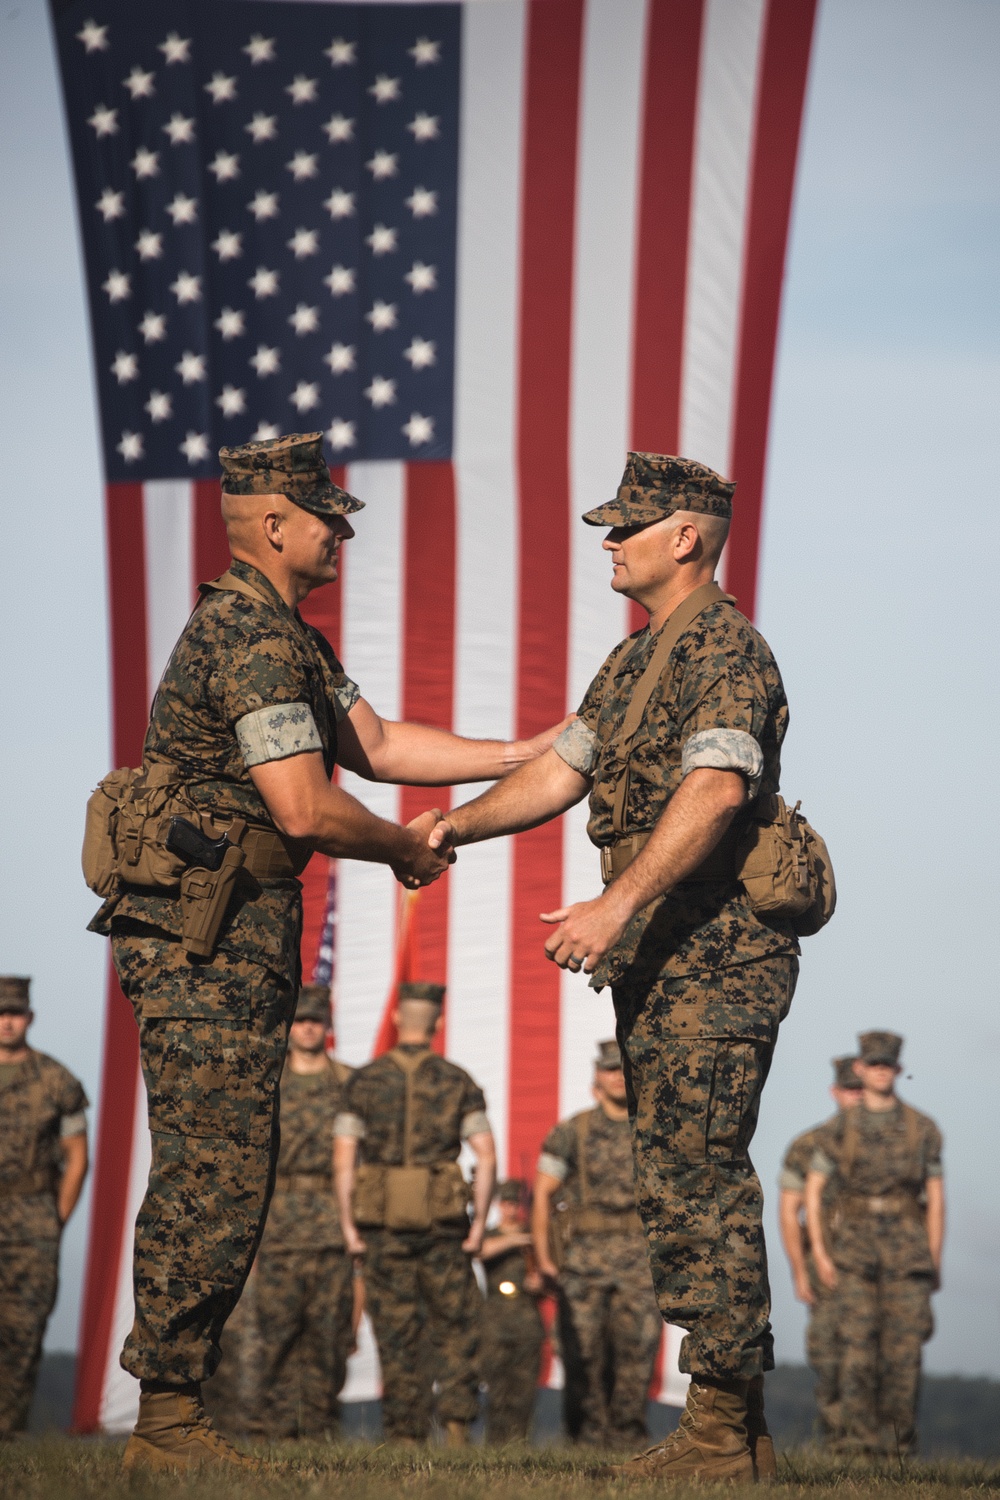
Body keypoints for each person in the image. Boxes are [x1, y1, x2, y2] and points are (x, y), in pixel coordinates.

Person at [86, 433, 563, 1471]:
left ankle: (175, 1411)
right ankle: (166, 1418)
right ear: (271, 525)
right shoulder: (250, 639)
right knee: (211, 1172)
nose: (339, 530)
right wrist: (402, 847)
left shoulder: (287, 639)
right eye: (324, 516)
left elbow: (381, 747)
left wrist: (529, 752)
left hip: (235, 945)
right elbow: (303, 807)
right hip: (201, 948)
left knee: (227, 1169)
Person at [428, 452, 801, 1480]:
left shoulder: (727, 650)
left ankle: (722, 1432)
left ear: (685, 536)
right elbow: (560, 767)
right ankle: (738, 1436)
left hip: (718, 955)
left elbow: (718, 787)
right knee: (678, 1174)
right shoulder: (635, 661)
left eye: (625, 525)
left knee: (698, 1178)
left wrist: (615, 901)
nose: (607, 540)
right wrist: (451, 827)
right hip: (665, 962)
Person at [334, 982, 495, 1446]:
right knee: (456, 1325)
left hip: (381, 1227)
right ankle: (457, 1425)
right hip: (444, 1226)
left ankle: (405, 1432)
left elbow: (344, 1161)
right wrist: (479, 1224)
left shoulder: (362, 1082)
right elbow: (486, 1157)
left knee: (395, 1330)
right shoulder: (457, 1080)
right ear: (438, 1022)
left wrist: (349, 1228)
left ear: (399, 1019)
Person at [805, 1032, 944, 1456]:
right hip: (853, 1254)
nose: (881, 1071)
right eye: (874, 1064)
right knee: (856, 1353)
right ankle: (857, 1450)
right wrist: (822, 1256)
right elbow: (812, 1193)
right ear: (861, 1068)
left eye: (888, 1065)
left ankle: (898, 1450)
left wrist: (933, 1260)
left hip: (907, 1253)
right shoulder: (838, 1129)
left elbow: (935, 1197)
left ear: (898, 1070)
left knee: (904, 1357)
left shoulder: (922, 1128)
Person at [532, 1040, 659, 1448]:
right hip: (584, 1263)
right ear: (595, 1080)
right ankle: (583, 1441)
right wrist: (545, 1257)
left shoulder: (654, 1131)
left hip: (641, 1263)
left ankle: (628, 1439)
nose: (618, 1076)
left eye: (623, 1068)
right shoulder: (572, 1132)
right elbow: (542, 1197)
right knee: (581, 1354)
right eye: (609, 1069)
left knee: (636, 1355)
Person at [253, 983, 355, 1440]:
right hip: (278, 1228)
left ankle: (320, 1432)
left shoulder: (351, 1084)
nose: (309, 1028)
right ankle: (275, 1433)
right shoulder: (267, 1084)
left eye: (316, 1020)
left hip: (334, 1229)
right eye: (301, 1020)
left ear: (327, 1026)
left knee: (329, 1339)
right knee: (275, 1336)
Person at [0, 977, 88, 1437]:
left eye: (14, 1012)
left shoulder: (57, 1080)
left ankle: (7, 1429)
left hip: (32, 1216)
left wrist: (56, 1218)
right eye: (0, 1013)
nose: (7, 1021)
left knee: (23, 1326)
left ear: (29, 1018)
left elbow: (77, 1156)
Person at [778, 1055, 861, 1439]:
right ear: (835, 1092)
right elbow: (789, 1211)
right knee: (829, 1358)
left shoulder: (904, 1140)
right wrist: (798, 1270)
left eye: (862, 1089)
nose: (857, 1098)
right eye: (850, 1089)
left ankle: (886, 1452)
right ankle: (840, 1446)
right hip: (826, 1266)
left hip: (882, 1265)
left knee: (886, 1361)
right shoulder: (808, 1145)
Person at [478, 1179, 545, 1444]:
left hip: (527, 1318)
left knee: (524, 1392)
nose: (511, 1210)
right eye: (506, 1204)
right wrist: (515, 1239)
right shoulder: (492, 1236)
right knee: (497, 1391)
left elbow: (552, 1274)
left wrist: (540, 1283)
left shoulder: (535, 1238)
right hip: (494, 1320)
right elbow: (480, 1251)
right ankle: (495, 1446)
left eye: (515, 1204)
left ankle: (519, 1444)